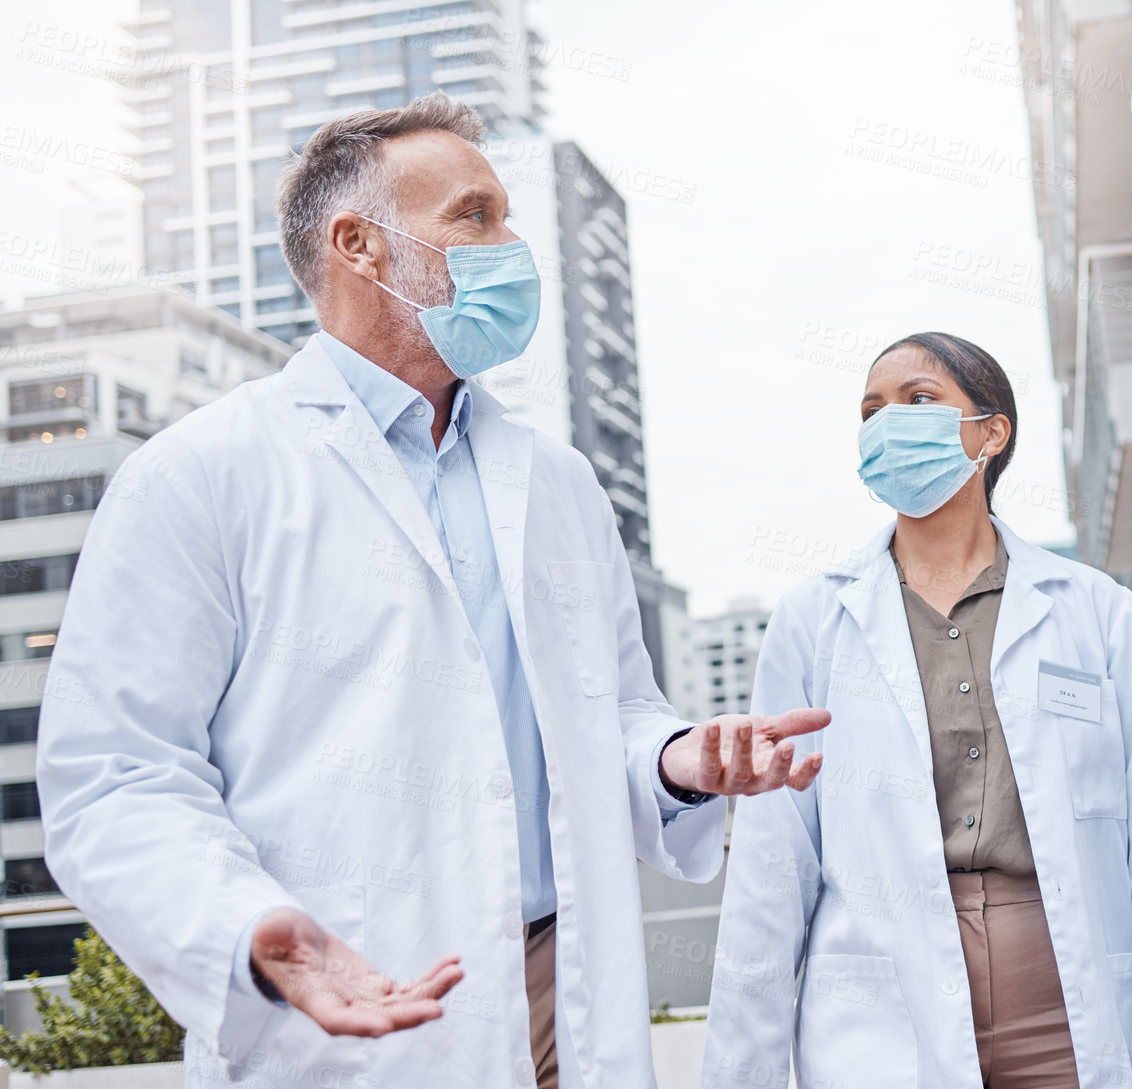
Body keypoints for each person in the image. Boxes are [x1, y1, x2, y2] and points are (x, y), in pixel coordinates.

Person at [35, 92, 827, 1089]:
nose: (510, 244)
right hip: (354, 1009)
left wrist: (675, 761)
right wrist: (245, 928)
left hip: (565, 1002)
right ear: (359, 245)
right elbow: (113, 776)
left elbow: (611, 712)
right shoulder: (201, 475)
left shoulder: (559, 482)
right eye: (474, 216)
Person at [701, 333, 1132, 1088]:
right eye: (870, 410)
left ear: (990, 432)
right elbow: (772, 864)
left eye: (917, 400)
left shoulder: (1093, 612)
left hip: (1067, 1000)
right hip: (883, 1013)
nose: (886, 424)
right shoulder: (814, 619)